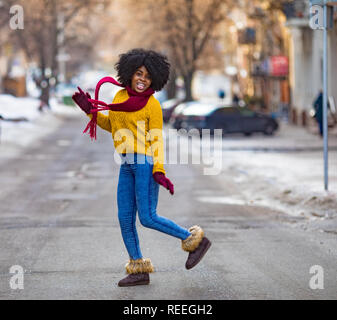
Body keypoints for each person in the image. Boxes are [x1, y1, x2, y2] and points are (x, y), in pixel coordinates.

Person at [72, 49, 211, 287]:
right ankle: (138, 269)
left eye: (147, 76)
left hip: (144, 162)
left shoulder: (152, 105)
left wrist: (159, 169)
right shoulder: (118, 98)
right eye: (138, 74)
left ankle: (194, 241)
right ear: (129, 73)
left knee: (147, 217)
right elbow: (112, 124)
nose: (142, 79)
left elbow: (157, 139)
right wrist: (89, 111)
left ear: (154, 79)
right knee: (125, 218)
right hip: (126, 163)